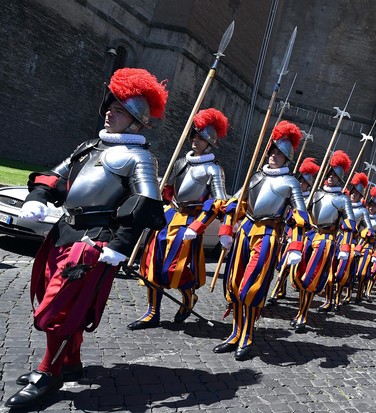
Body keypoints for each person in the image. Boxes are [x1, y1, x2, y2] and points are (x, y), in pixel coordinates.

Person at [5, 68, 168, 409]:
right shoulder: (89, 146)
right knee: (63, 300)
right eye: (110, 104)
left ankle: (48, 373)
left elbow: (146, 206)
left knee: (59, 309)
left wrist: (120, 246)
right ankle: (71, 363)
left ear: (136, 121)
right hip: (63, 232)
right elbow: (55, 175)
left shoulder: (140, 158)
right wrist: (36, 197)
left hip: (93, 243)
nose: (109, 110)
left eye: (119, 108)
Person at [214, 120, 309, 360]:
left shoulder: (290, 183)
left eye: (279, 154)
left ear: (287, 159)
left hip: (267, 235)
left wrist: (296, 245)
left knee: (250, 287)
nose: (274, 156)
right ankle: (235, 333)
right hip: (245, 230)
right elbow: (235, 203)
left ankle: (247, 335)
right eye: (272, 151)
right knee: (234, 285)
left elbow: (299, 216)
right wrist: (227, 229)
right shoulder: (255, 177)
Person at [127, 108, 229, 330]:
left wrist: (198, 225)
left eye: (201, 138)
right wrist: (159, 200)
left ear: (209, 142)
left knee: (180, 268)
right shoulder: (181, 162)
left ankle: (188, 298)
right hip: (170, 215)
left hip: (191, 221)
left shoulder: (214, 170)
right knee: (153, 264)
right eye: (195, 135)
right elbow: (170, 190)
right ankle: (152, 312)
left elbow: (219, 203)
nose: (195, 140)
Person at [291, 150, 355, 331]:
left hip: (327, 241)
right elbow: (304, 213)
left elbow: (349, 224)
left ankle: (303, 316)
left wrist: (345, 247)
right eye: (329, 174)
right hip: (310, 236)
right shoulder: (316, 194)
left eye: (334, 176)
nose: (330, 178)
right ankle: (299, 312)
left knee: (310, 279)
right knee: (298, 276)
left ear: (340, 179)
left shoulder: (343, 199)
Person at [269, 157, 320, 304]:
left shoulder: (311, 199)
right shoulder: (291, 193)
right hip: (285, 230)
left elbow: (313, 219)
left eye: (305, 182)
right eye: (300, 181)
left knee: (287, 263)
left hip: (301, 235)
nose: (301, 184)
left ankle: (277, 289)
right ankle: (282, 289)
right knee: (279, 262)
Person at [334, 172, 374, 308]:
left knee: (344, 271)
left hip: (351, 241)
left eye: (356, 194)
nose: (353, 195)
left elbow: (368, 230)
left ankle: (340, 296)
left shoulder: (363, 211)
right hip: (337, 238)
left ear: (360, 196)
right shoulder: (342, 202)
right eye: (352, 192)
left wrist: (361, 235)